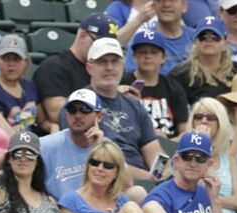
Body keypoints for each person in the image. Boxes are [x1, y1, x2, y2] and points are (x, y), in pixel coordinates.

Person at [62, 37, 165, 184]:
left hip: (146, 183)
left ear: (123, 66)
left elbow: (155, 152)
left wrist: (160, 178)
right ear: (89, 68)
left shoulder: (134, 105)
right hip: (105, 181)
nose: (109, 67)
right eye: (102, 62)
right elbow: (87, 160)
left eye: (114, 61)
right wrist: (147, 178)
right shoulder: (79, 105)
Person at [35, 12, 119, 133]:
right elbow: (59, 114)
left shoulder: (107, 69)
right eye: (98, 43)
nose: (104, 50)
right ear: (83, 36)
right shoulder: (53, 67)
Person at [142, 131, 227, 213]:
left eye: (200, 159)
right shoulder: (160, 196)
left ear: (209, 164)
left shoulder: (208, 193)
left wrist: (215, 200)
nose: (193, 164)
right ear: (177, 160)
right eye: (187, 157)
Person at [60, 141, 153, 213]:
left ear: (116, 173)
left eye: (108, 165)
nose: (100, 168)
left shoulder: (122, 201)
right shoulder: (71, 200)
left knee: (143, 207)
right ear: (88, 166)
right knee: (130, 207)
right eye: (95, 163)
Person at [40, 89, 107, 202]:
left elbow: (127, 184)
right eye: (72, 110)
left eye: (85, 109)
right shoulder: (46, 144)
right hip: (58, 212)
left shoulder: (107, 147)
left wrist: (100, 150)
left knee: (137, 192)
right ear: (67, 115)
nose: (77, 116)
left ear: (99, 116)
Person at [123, 28, 189, 139]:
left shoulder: (174, 88)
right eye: (142, 52)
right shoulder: (123, 84)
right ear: (134, 57)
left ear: (163, 58)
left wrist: (168, 142)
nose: (148, 56)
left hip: (168, 146)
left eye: (154, 52)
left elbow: (184, 130)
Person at [168, 16, 237, 107]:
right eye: (203, 37)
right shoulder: (180, 75)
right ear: (195, 42)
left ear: (225, 43)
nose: (209, 40)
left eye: (215, 37)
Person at [188, 97, 237, 213]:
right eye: (198, 117)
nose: (204, 121)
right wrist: (202, 146)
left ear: (220, 123)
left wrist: (215, 200)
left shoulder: (230, 160)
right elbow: (196, 192)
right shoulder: (185, 157)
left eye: (210, 118)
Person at [0, 131, 60, 213]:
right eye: (17, 154)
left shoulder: (49, 200)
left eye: (30, 154)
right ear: (9, 159)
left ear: (37, 161)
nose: (23, 159)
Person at [123, 0, 195, 75]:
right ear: (153, 6)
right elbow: (131, 78)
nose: (166, 4)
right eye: (160, 0)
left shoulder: (198, 38)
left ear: (184, 7)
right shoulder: (142, 41)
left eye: (173, 0)